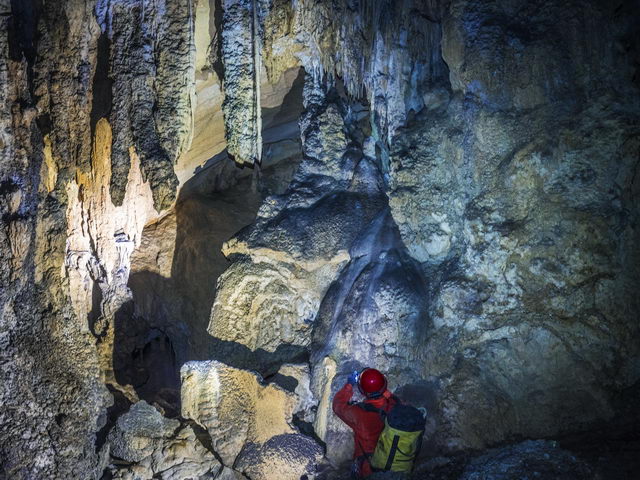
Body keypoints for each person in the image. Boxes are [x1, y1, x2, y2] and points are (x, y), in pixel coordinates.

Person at [332, 368, 398, 478]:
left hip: (368, 468)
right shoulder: (394, 404)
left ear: (362, 391)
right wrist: (380, 389)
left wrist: (349, 385)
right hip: (393, 461)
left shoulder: (359, 413)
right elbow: (390, 396)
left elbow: (338, 406)